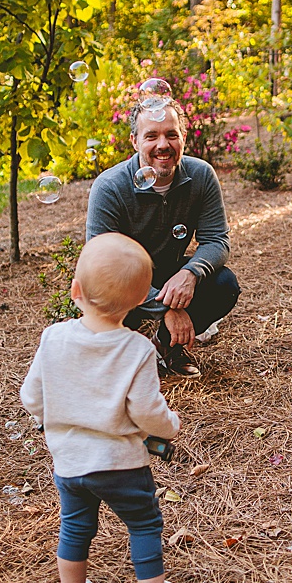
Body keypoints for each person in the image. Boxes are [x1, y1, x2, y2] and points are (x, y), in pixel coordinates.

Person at [19, 232, 203, 583]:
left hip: (69, 463)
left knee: (75, 524)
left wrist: (52, 419)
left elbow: (31, 397)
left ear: (75, 290)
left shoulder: (54, 338)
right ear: (141, 301)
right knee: (144, 522)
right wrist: (170, 427)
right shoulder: (137, 350)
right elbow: (147, 411)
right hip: (120, 464)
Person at [86, 101, 240, 378]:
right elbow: (100, 263)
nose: (163, 145)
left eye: (171, 134)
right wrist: (165, 308)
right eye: (151, 136)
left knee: (224, 284)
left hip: (169, 273)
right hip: (121, 283)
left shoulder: (201, 176)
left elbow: (216, 239)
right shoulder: (110, 187)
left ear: (183, 137)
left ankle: (165, 345)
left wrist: (191, 274)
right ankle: (126, 348)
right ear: (134, 141)